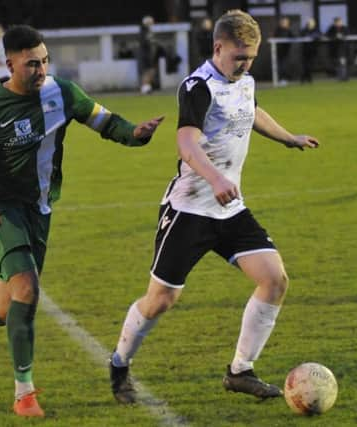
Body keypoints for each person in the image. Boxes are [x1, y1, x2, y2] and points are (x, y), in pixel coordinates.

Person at [0, 24, 164, 417]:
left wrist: (136, 132)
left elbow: (105, 122)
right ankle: (23, 393)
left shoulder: (62, 92)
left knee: (3, 308)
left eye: (44, 61)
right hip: (0, 207)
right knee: (27, 288)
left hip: (40, 208)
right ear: (9, 63)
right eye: (31, 63)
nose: (41, 69)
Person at [108, 9, 319, 404]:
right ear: (217, 47)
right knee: (160, 301)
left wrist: (289, 138)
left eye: (251, 58)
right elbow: (186, 143)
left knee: (274, 279)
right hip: (190, 209)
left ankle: (240, 370)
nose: (245, 65)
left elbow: (252, 110)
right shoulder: (197, 87)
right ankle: (120, 363)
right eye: (239, 57)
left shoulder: (244, 80)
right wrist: (216, 178)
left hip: (230, 208)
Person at [139, 15, 159, 94]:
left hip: (149, 54)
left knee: (151, 71)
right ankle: (145, 88)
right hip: (145, 55)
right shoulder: (144, 32)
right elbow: (145, 43)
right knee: (147, 71)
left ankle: (147, 87)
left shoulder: (148, 31)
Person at [326, 17, 348, 81]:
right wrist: (335, 37)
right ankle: (339, 77)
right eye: (337, 22)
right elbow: (327, 35)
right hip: (335, 50)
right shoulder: (332, 28)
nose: (338, 23)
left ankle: (344, 77)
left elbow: (347, 34)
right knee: (337, 64)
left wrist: (341, 36)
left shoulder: (344, 28)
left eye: (339, 22)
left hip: (342, 50)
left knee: (343, 64)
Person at [273, 16, 294, 85]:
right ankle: (280, 79)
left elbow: (293, 37)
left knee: (285, 66)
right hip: (278, 52)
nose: (284, 24)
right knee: (280, 66)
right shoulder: (278, 30)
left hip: (286, 52)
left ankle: (285, 79)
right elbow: (274, 38)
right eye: (283, 22)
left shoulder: (289, 31)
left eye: (285, 22)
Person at [300, 18, 321, 83]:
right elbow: (302, 35)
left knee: (310, 65)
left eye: (312, 23)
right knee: (306, 65)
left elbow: (319, 35)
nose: (310, 24)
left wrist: (313, 36)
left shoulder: (316, 30)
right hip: (305, 50)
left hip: (313, 50)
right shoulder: (304, 30)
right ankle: (307, 78)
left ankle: (305, 78)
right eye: (309, 23)